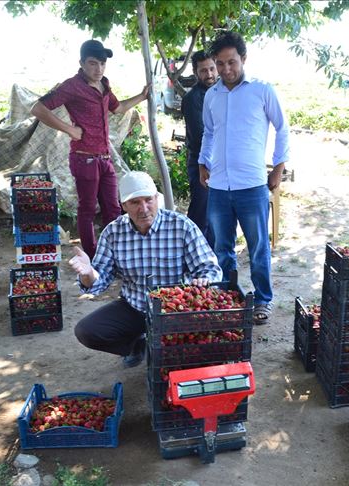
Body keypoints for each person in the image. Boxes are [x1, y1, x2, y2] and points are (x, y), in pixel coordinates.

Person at [69, 171, 222, 368]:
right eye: (134, 202)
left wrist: (203, 280)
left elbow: (208, 267)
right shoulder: (113, 233)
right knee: (87, 331)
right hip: (135, 306)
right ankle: (136, 343)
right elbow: (99, 280)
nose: (144, 209)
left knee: (177, 359)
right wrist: (88, 274)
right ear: (123, 206)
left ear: (157, 198)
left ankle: (161, 345)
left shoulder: (181, 226)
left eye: (148, 200)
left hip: (174, 310)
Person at [199, 31, 290, 325]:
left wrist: (278, 166)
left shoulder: (261, 91)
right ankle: (229, 296)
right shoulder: (211, 95)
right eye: (220, 63)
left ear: (244, 59)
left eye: (232, 62)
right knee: (221, 248)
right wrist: (203, 162)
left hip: (252, 185)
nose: (226, 69)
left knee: (258, 246)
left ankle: (263, 299)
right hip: (218, 186)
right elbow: (209, 133)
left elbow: (282, 127)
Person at [31, 39, 150, 260]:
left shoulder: (104, 84)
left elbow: (118, 108)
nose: (99, 69)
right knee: (87, 209)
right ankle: (93, 257)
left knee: (113, 208)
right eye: (93, 63)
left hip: (105, 157)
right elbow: (37, 108)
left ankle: (115, 253)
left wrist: (141, 97)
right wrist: (69, 129)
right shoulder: (72, 86)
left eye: (102, 64)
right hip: (84, 158)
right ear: (82, 63)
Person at [181, 50, 218, 248]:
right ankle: (191, 254)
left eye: (212, 68)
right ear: (196, 73)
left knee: (215, 214)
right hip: (201, 164)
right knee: (200, 213)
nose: (209, 74)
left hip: (220, 164)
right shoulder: (193, 98)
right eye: (204, 71)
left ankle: (211, 258)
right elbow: (200, 136)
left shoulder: (222, 92)